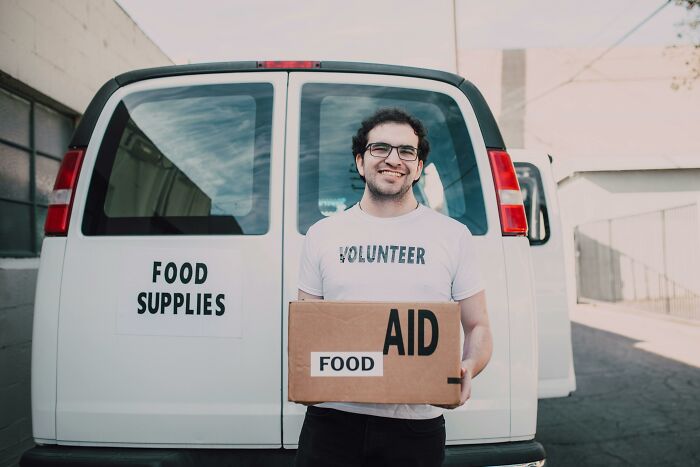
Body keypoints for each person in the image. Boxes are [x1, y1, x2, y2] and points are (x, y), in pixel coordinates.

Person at [295, 107, 493, 467]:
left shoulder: (452, 236)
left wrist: (467, 366)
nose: (393, 159)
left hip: (415, 426)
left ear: (418, 168)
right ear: (360, 161)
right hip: (332, 422)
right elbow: (309, 328)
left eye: (406, 151)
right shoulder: (322, 235)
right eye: (380, 148)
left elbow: (478, 326)